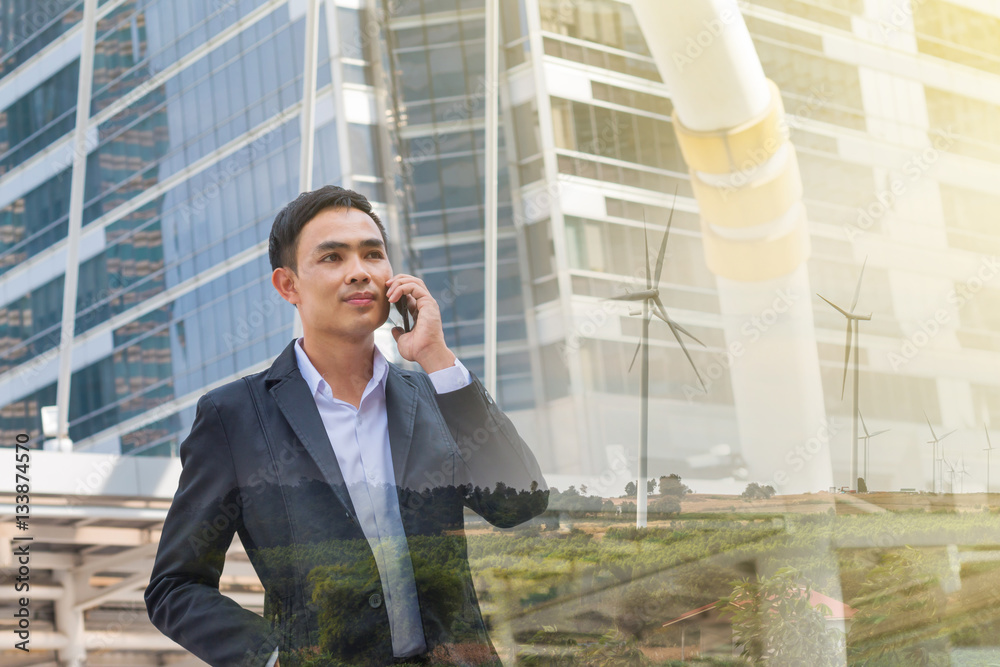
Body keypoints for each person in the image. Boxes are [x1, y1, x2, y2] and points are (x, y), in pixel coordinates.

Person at [144, 186, 549, 667]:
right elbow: (175, 584)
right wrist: (276, 657)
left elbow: (519, 502)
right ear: (288, 286)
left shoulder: (435, 396)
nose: (359, 270)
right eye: (333, 257)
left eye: (372, 254)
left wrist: (436, 358)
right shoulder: (235, 417)